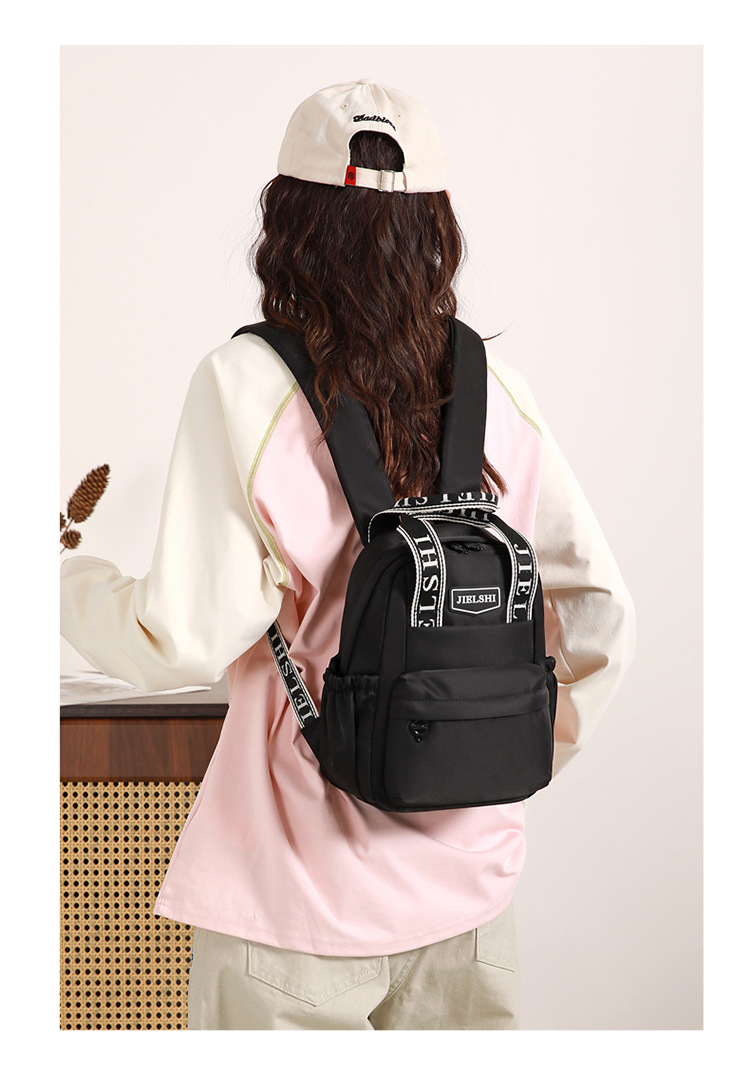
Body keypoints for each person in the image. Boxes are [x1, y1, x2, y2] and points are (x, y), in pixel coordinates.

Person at [60, 79, 636, 1030]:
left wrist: (62, 586)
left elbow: (183, 637)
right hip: (471, 898)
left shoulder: (245, 384)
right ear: (435, 224)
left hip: (297, 897)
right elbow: (601, 614)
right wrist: (481, 756)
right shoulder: (497, 390)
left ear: (288, 221)